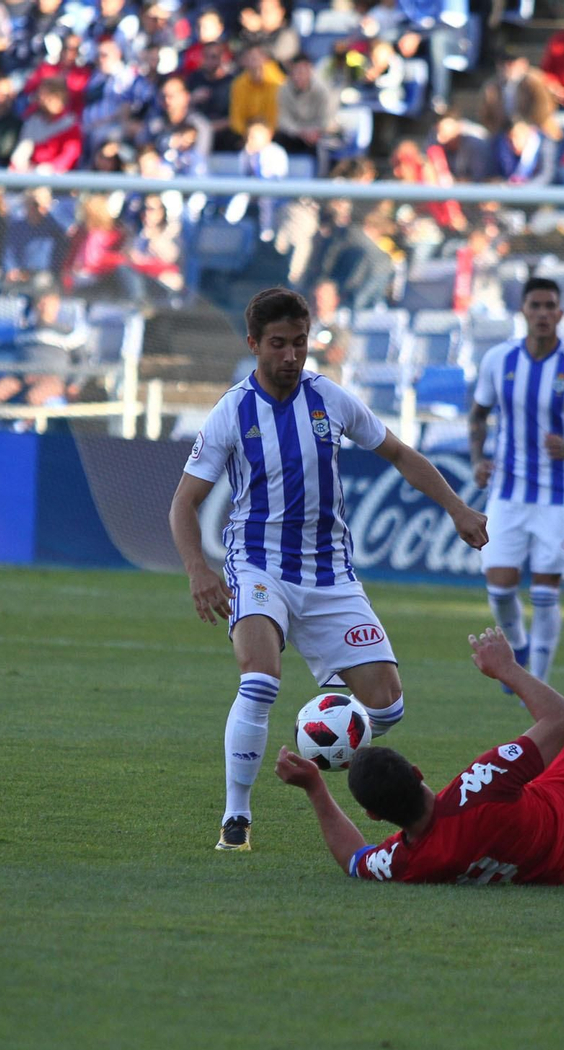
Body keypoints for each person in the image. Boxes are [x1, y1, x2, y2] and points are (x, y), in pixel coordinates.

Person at [169, 287, 488, 853]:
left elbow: (401, 454)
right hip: (258, 565)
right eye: (278, 344)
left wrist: (457, 508)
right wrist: (198, 569)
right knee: (259, 678)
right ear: (253, 344)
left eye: (300, 343)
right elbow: (183, 503)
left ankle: (325, 721)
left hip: (330, 575)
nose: (291, 356)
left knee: (387, 706)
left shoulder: (329, 399)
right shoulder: (232, 412)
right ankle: (236, 818)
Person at [274, 626, 564, 887]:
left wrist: (316, 789)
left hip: (550, 872)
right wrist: (506, 669)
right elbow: (562, 719)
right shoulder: (479, 785)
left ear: (374, 815)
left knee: (533, 781)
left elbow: (355, 860)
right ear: (418, 773)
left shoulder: (409, 861)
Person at [468, 278, 564, 684]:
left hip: (558, 495)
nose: (542, 313)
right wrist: (478, 460)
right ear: (523, 310)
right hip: (507, 491)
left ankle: (536, 682)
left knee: (545, 591)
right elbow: (478, 415)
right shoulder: (499, 360)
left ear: (560, 313)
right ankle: (518, 646)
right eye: (534, 305)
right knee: (499, 587)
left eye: (549, 306)